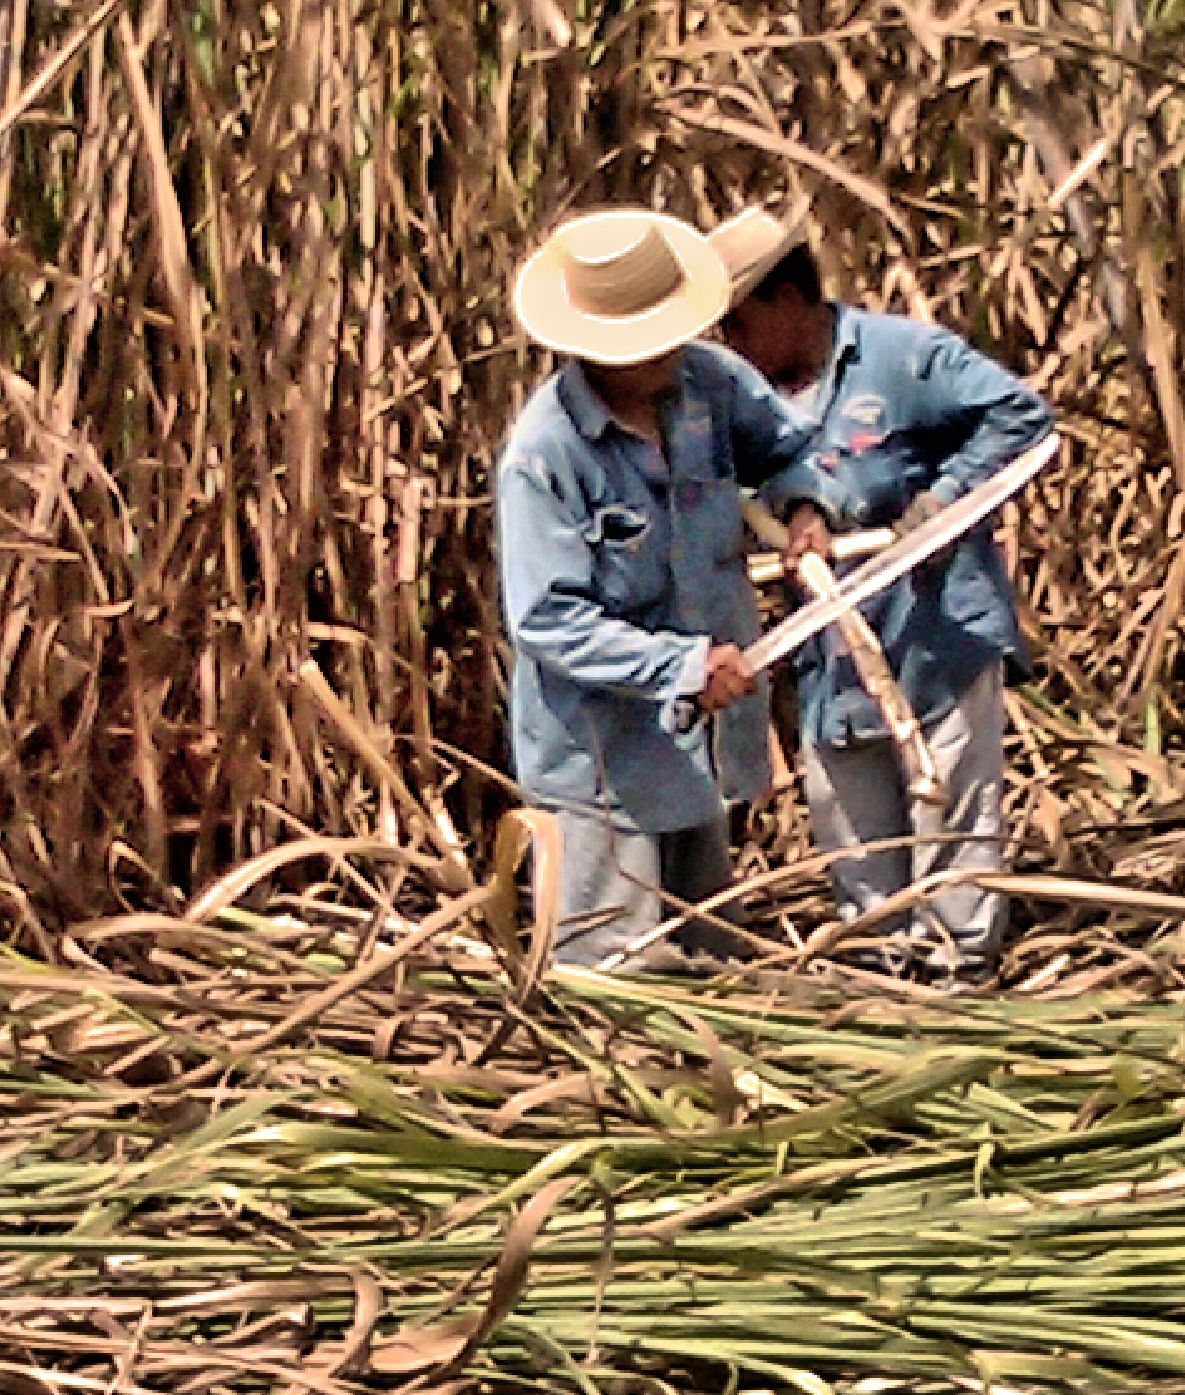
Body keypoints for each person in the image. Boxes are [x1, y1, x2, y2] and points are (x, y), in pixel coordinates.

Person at [709, 207, 1055, 986]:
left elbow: (1020, 418)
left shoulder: (902, 358)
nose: (730, 343)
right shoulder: (744, 398)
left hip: (935, 635)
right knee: (852, 833)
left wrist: (939, 507)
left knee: (952, 824)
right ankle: (879, 981)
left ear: (787, 300)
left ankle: (957, 983)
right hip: (831, 656)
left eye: (738, 322)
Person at [496, 208, 847, 968]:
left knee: (707, 949)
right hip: (601, 763)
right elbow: (547, 620)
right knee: (614, 972)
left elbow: (790, 451)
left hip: (700, 744)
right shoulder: (546, 455)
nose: (661, 353)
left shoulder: (708, 385)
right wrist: (682, 667)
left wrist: (804, 507)